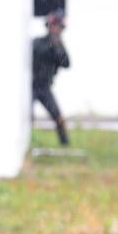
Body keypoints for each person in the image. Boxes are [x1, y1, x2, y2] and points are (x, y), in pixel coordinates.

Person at [32, 10, 71, 146]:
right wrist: (52, 47)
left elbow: (66, 63)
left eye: (59, 27)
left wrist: (57, 46)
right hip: (32, 87)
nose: (56, 29)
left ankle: (65, 144)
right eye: (54, 26)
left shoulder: (59, 46)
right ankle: (28, 143)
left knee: (58, 117)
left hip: (45, 87)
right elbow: (38, 53)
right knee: (27, 117)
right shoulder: (38, 42)